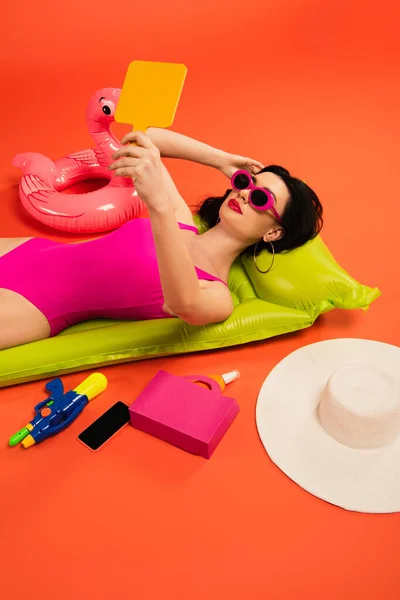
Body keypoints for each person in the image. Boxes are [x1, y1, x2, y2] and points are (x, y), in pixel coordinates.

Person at [0, 129, 323, 350]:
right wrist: (220, 159)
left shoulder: (217, 296)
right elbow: (147, 138)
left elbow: (183, 302)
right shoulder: (182, 221)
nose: (244, 192)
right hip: (31, 250)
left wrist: (157, 205)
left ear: (273, 232)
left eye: (261, 198)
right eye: (245, 182)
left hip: (36, 306)